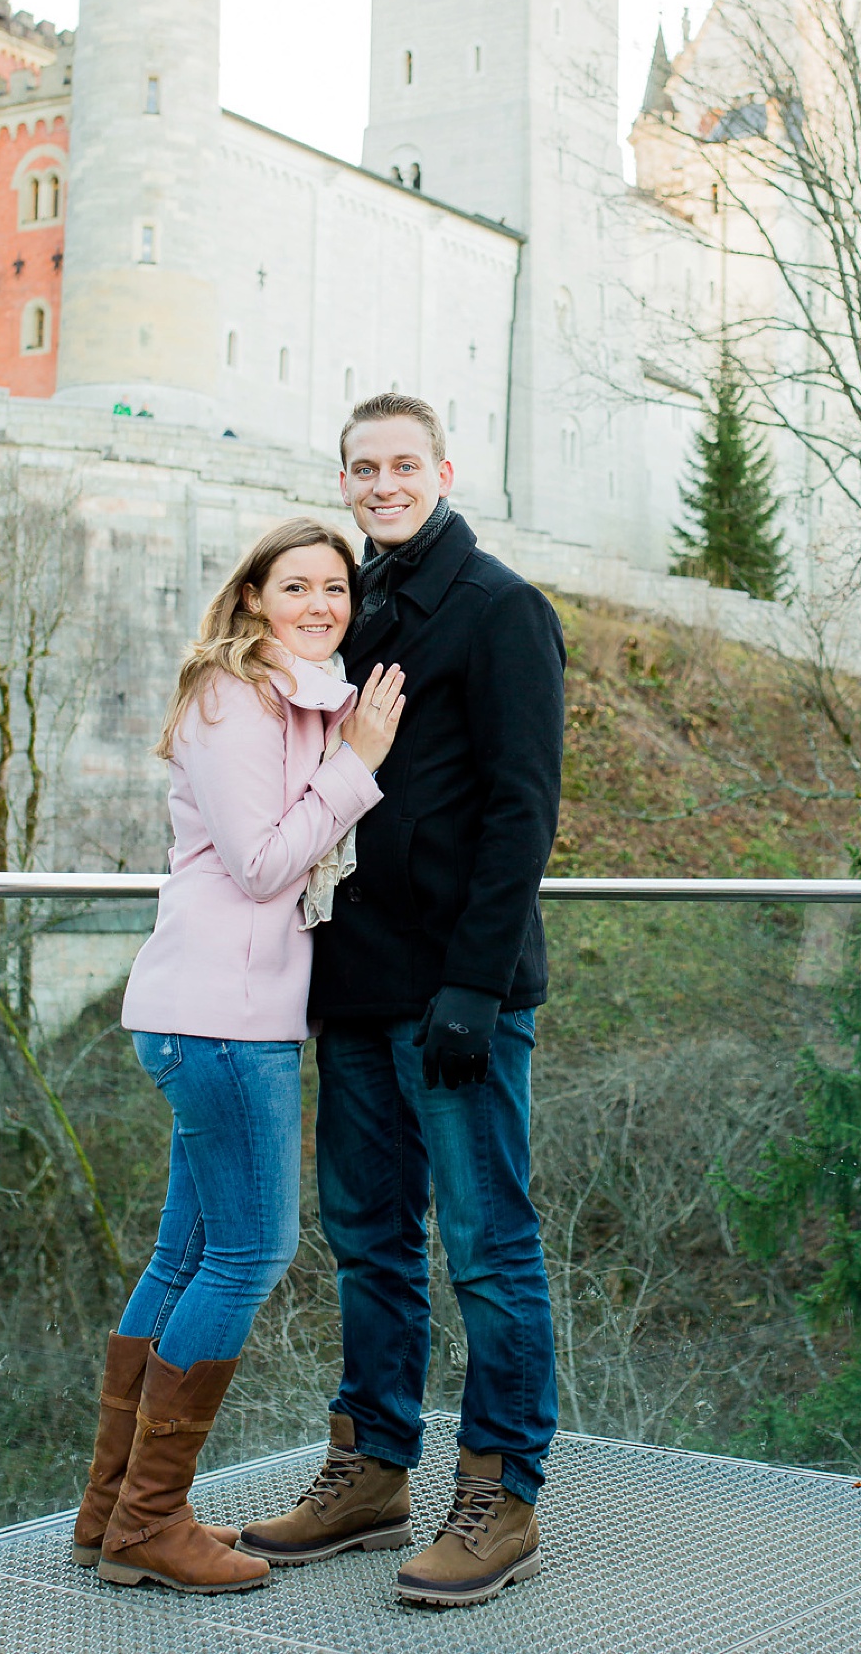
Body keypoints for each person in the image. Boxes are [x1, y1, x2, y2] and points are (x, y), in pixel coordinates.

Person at [239, 395, 566, 1611]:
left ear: (442, 469)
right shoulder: (348, 610)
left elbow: (521, 813)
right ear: (344, 477)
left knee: (486, 1245)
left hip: (457, 990)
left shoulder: (498, 610)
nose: (380, 483)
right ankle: (371, 1469)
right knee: (369, 1238)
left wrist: (476, 988)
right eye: (360, 467)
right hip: (356, 986)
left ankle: (501, 1492)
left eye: (400, 465)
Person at [72, 517, 406, 1596]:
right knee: (249, 1255)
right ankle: (150, 1522)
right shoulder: (233, 698)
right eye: (296, 586)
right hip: (220, 1018)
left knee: (184, 1258)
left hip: (232, 1015)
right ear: (254, 596)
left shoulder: (297, 696)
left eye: (335, 590)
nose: (319, 604)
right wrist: (357, 768)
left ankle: (110, 1516)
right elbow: (263, 865)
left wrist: (343, 747)